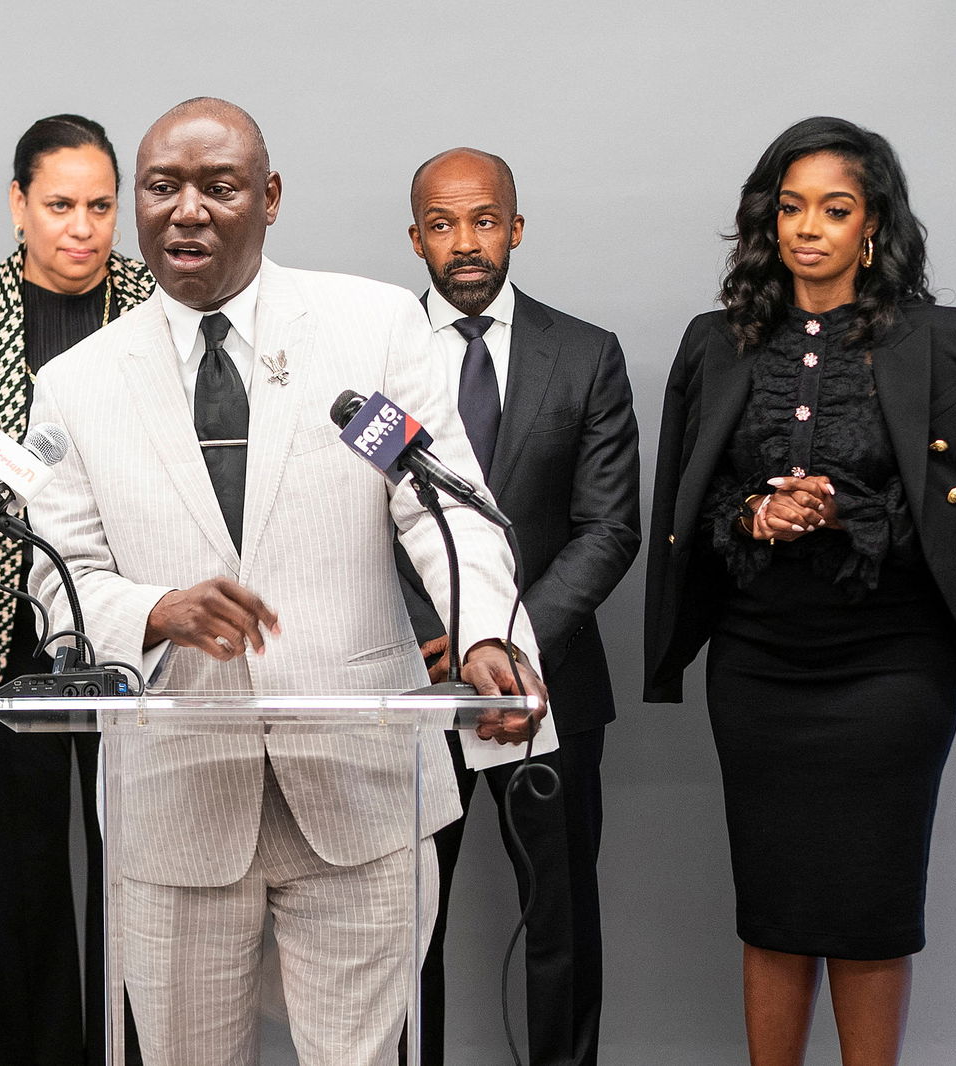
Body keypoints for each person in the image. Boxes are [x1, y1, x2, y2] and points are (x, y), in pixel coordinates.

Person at [26, 97, 548, 1066]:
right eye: (161, 186)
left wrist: (484, 634)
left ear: (267, 199)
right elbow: (60, 585)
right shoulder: (77, 382)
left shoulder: (374, 329)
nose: (186, 210)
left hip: (360, 780)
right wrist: (154, 609)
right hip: (176, 798)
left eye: (217, 187)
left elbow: (444, 509)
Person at [644, 116, 956, 1066]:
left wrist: (842, 515)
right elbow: (688, 505)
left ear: (874, 226)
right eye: (789, 207)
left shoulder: (946, 341)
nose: (806, 227)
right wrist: (758, 517)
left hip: (892, 668)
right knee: (772, 908)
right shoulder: (716, 343)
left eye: (834, 208)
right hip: (759, 668)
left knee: (871, 908)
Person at [0, 113, 154, 1065]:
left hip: (128, 634)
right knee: (23, 884)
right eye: (60, 205)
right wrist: (9, 565)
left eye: (102, 206)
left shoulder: (154, 305)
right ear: (19, 205)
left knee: (135, 877)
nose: (83, 228)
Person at [397, 148, 639, 1066]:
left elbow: (608, 527)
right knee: (403, 921)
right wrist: (439, 637)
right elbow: (351, 526)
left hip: (551, 682)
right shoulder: (375, 356)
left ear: (517, 228)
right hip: (410, 681)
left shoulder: (584, 354)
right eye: (445, 224)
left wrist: (505, 644)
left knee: (562, 920)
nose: (466, 243)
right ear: (415, 236)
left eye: (485, 220)